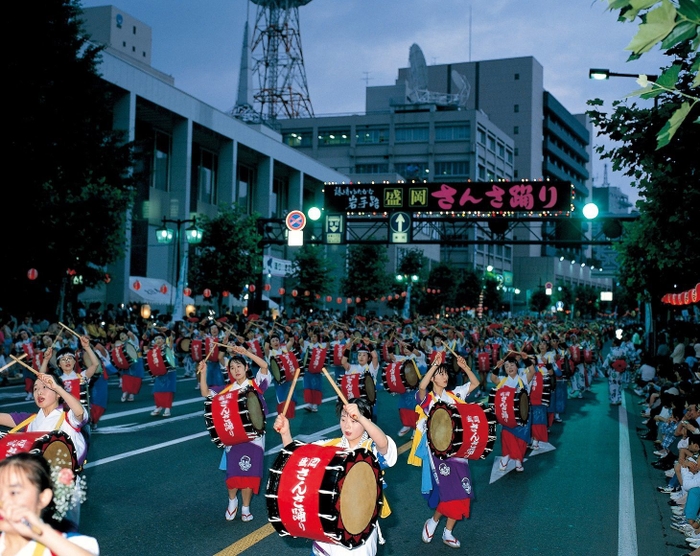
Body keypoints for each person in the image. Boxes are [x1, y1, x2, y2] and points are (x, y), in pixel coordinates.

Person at [273, 397, 397, 556]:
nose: (347, 425)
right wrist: (285, 434)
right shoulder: (330, 446)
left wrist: (360, 417)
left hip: (359, 533)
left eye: (353, 421)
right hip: (327, 533)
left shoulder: (370, 450)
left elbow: (383, 444)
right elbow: (298, 459)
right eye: (343, 419)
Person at [411, 351, 480, 549]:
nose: (445, 377)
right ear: (433, 377)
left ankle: (445, 530)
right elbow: (421, 387)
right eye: (440, 374)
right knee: (449, 491)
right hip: (438, 453)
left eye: (445, 373)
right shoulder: (428, 400)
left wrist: (465, 367)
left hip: (458, 451)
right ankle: (435, 524)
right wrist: (434, 365)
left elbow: (474, 384)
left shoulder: (454, 395)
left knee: (464, 491)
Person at [198, 345, 270, 523]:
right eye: (232, 367)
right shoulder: (226, 390)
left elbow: (264, 366)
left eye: (239, 366)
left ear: (246, 367)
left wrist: (246, 353)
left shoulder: (256, 385)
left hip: (254, 440)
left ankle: (246, 507)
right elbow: (205, 393)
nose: (235, 370)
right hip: (233, 438)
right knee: (233, 474)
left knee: (250, 475)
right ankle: (232, 501)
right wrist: (203, 372)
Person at [0, 453, 99, 555]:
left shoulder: (69, 546)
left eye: (13, 492)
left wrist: (40, 532)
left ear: (43, 498)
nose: (2, 501)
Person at [489, 351, 536, 472]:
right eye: (507, 366)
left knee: (521, 439)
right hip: (507, 416)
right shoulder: (503, 380)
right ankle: (506, 457)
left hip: (523, 415)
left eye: (512, 365)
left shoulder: (523, 379)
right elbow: (492, 378)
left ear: (517, 367)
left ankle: (518, 460)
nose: (509, 368)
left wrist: (526, 360)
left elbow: (532, 372)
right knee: (507, 437)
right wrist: (497, 367)